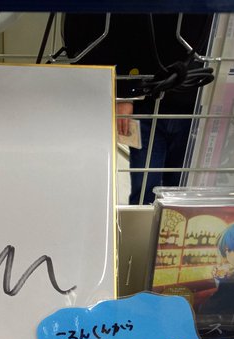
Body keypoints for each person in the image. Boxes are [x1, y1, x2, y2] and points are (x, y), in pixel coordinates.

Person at [62, 13, 214, 204]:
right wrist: (125, 95)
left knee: (182, 190)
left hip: (197, 102)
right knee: (145, 188)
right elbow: (127, 30)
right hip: (147, 100)